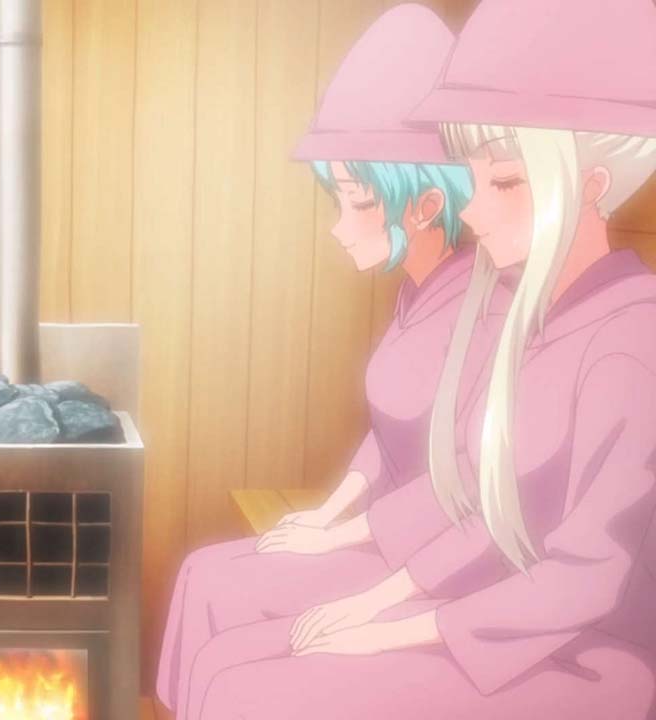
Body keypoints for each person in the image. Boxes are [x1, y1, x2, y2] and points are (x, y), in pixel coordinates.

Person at [182, 1, 656, 717]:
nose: (473, 210)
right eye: (476, 180)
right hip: (489, 612)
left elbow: (587, 580)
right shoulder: (539, 323)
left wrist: (395, 627)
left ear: (590, 187)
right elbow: (483, 507)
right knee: (227, 664)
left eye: (504, 183)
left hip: (587, 659)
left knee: (250, 688)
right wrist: (378, 601)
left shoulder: (631, 345)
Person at [155, 6, 507, 711]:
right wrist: (327, 515)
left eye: (355, 202)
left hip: (434, 559)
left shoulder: (487, 313)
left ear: (424, 205)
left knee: (230, 596)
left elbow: (467, 482)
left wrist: (343, 536)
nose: (338, 228)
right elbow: (391, 431)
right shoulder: (416, 295)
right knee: (201, 574)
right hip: (381, 533)